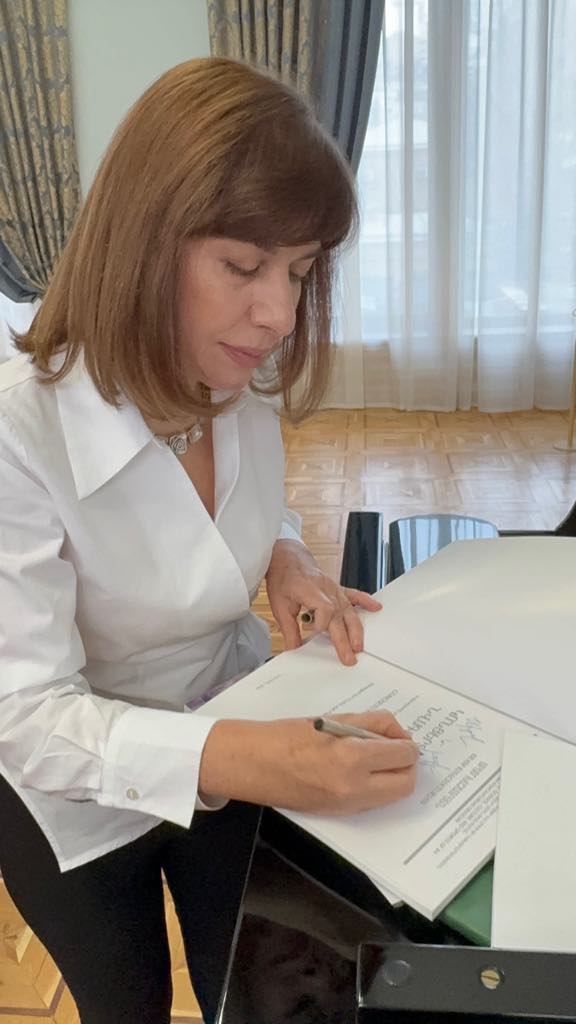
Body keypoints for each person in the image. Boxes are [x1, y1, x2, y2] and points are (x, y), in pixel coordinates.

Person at [0, 57, 419, 1023]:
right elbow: (26, 715)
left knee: (254, 980)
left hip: (232, 715)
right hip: (77, 792)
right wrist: (247, 759)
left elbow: (238, 509)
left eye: (300, 272)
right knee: (127, 1002)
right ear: (145, 241)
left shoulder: (232, 377)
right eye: (243, 266)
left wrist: (286, 554)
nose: (279, 314)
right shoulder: (21, 434)